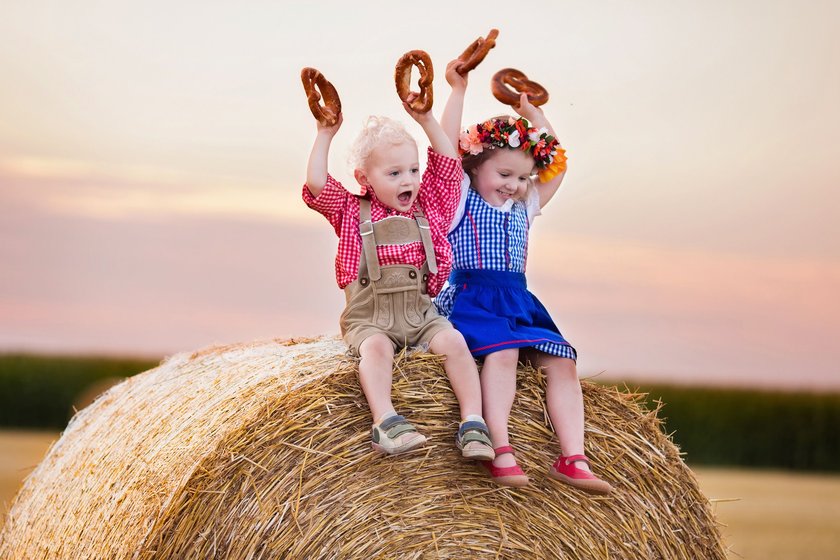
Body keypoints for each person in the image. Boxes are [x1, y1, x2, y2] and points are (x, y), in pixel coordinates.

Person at [435, 60, 612, 494]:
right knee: (504, 354)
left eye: (521, 176)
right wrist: (457, 90)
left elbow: (557, 167)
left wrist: (533, 116)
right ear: (473, 167)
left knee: (563, 361)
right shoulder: (461, 200)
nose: (515, 184)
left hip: (518, 301)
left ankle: (573, 457)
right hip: (472, 297)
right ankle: (500, 448)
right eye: (504, 174)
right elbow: (442, 149)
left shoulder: (524, 206)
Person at [303, 91, 494, 462]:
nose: (408, 179)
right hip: (369, 318)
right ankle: (385, 421)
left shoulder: (431, 205)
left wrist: (425, 120)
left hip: (421, 314)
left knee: (454, 343)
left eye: (413, 170)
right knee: (375, 349)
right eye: (394, 173)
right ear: (364, 178)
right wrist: (325, 133)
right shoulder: (350, 211)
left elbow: (449, 165)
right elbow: (315, 184)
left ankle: (473, 422)